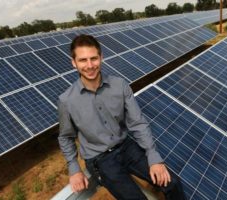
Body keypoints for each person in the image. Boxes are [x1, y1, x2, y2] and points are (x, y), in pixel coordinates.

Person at [58, 34, 185, 200]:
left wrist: (153, 157)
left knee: (172, 183)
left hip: (127, 147)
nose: (89, 65)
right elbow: (65, 137)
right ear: (73, 62)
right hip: (101, 161)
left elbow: (138, 122)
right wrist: (74, 167)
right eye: (83, 60)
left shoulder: (120, 85)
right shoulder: (67, 100)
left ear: (101, 57)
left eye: (94, 58)